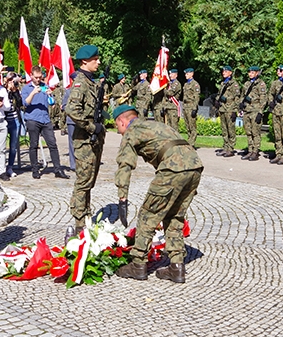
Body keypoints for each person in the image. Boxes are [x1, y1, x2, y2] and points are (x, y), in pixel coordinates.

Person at [112, 105, 203, 283]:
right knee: (175, 215)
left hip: (172, 168)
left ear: (123, 121)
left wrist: (122, 197)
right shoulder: (156, 125)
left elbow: (125, 164)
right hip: (195, 166)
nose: (118, 131)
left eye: (117, 126)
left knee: (148, 214)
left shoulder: (132, 131)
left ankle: (138, 264)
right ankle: (176, 267)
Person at [66, 45, 105, 231]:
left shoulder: (91, 82)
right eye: (95, 59)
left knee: (89, 180)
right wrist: (90, 126)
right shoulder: (80, 82)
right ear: (84, 61)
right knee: (83, 181)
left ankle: (86, 215)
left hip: (93, 139)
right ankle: (80, 222)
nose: (98, 62)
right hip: (84, 140)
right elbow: (72, 109)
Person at [20, 66, 69, 180]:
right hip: (32, 119)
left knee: (52, 144)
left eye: (39, 77)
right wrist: (33, 93)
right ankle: (35, 169)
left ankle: (58, 169)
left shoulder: (44, 86)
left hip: (45, 119)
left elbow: (52, 104)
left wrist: (50, 95)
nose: (38, 79)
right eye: (36, 77)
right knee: (33, 144)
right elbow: (25, 104)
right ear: (31, 76)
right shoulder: (27, 88)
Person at [239, 66, 267, 161]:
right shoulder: (247, 84)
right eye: (249, 72)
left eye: (252, 72)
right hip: (247, 110)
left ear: (257, 73)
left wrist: (260, 112)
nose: (250, 74)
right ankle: (250, 150)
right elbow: (242, 95)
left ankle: (255, 151)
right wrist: (241, 104)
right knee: (248, 131)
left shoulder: (261, 84)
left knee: (255, 132)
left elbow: (263, 99)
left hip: (255, 110)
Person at [215, 65, 241, 157]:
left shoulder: (234, 84)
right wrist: (217, 101)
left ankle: (230, 148)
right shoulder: (223, 83)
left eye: (225, 71)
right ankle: (225, 147)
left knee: (231, 129)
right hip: (222, 108)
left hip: (230, 109)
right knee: (224, 129)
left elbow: (237, 98)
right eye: (223, 71)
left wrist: (235, 110)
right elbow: (219, 94)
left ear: (230, 73)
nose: (223, 73)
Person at [3, 72, 24, 177]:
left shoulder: (16, 91)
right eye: (11, 81)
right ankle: (0, 166)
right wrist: (8, 91)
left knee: (13, 146)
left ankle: (10, 166)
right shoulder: (2, 90)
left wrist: (15, 91)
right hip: (5, 120)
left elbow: (20, 103)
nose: (13, 83)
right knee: (1, 145)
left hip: (15, 119)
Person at [182, 68, 201, 147]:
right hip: (186, 107)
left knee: (192, 126)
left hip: (191, 106)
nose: (185, 75)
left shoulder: (195, 84)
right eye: (185, 74)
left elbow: (196, 97)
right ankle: (189, 140)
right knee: (187, 126)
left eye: (187, 74)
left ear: (191, 74)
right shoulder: (186, 84)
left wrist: (194, 108)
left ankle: (191, 143)